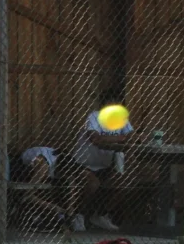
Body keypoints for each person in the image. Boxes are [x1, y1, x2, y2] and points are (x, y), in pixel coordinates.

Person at [73, 88, 136, 231]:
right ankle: (78, 215)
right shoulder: (94, 117)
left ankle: (100, 215)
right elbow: (95, 139)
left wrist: (124, 138)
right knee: (93, 184)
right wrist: (120, 138)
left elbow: (132, 137)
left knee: (126, 182)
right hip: (83, 164)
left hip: (106, 166)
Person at [16, 146, 87, 232]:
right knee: (43, 185)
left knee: (65, 186)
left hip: (47, 173)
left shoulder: (67, 161)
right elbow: (27, 195)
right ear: (59, 170)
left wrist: (70, 207)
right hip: (22, 168)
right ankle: (36, 217)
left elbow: (72, 182)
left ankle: (61, 218)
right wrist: (52, 207)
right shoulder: (43, 166)